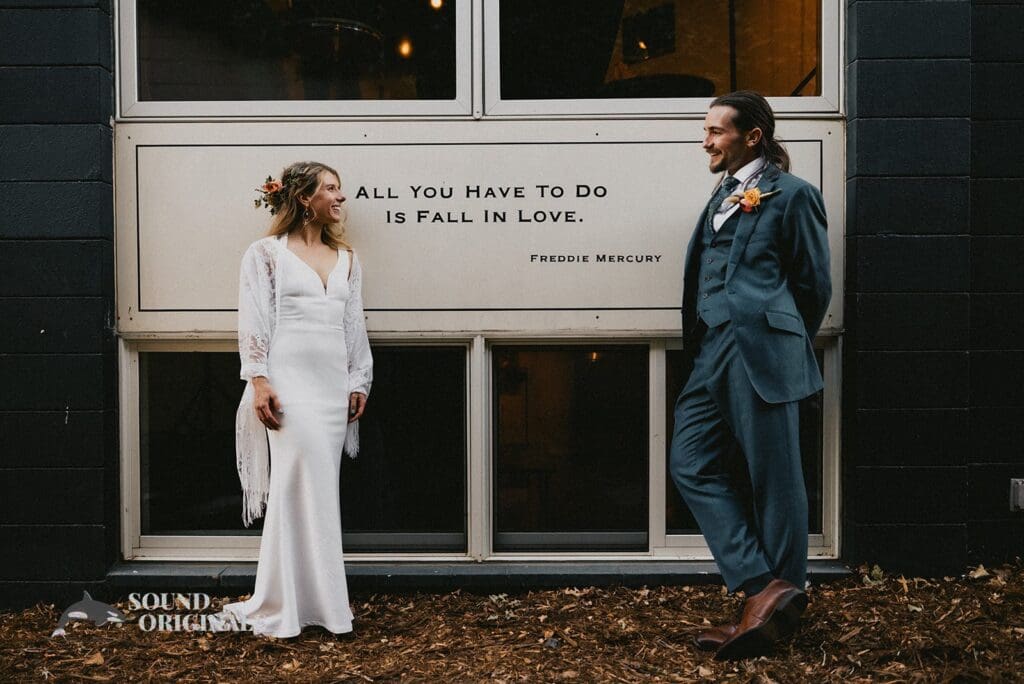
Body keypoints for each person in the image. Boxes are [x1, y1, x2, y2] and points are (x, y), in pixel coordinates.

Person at [669, 91, 831, 660]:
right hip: (711, 347)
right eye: (705, 130)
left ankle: (776, 616)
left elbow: (813, 285)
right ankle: (764, 587)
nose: (706, 141)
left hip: (761, 348)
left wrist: (778, 339)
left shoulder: (794, 195)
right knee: (689, 461)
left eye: (716, 131)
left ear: (752, 136)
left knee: (776, 479)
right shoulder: (722, 193)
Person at [220, 161, 373, 638]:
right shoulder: (265, 254)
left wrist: (359, 380)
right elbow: (253, 319)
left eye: (340, 189)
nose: (341, 197)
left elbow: (353, 324)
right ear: (305, 197)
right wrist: (258, 379)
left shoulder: (347, 258)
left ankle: (322, 603)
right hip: (288, 386)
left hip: (331, 388)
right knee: (292, 487)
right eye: (331, 188)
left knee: (322, 489)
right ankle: (282, 602)